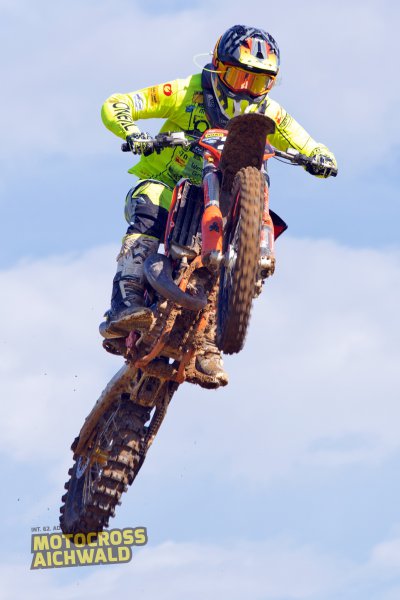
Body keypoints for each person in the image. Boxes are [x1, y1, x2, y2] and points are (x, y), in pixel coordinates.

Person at [99, 24, 337, 385]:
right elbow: (119, 103)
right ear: (217, 66)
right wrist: (132, 131)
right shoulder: (186, 91)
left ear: (270, 85)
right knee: (150, 207)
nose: (244, 90)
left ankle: (209, 341)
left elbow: (309, 144)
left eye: (257, 82)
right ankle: (126, 300)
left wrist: (320, 156)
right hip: (167, 184)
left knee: (252, 233)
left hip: (224, 198)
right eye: (238, 76)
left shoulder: (270, 112)